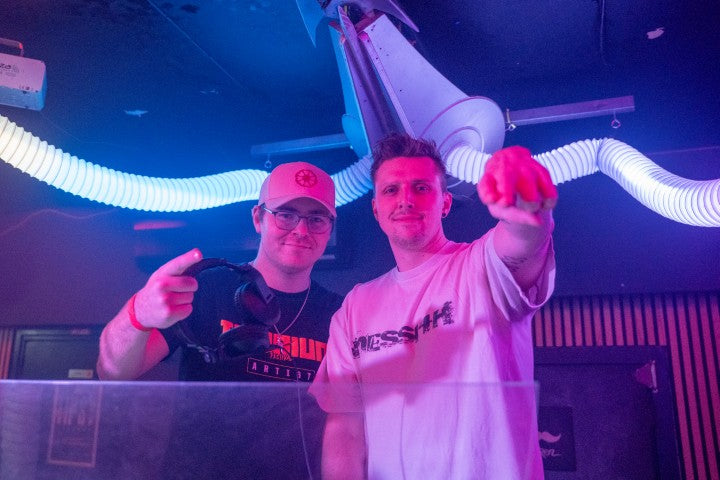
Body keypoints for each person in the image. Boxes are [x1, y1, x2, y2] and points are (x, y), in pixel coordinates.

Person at [309, 133, 558, 479]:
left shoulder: (481, 266)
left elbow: (523, 240)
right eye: (391, 190)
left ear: (445, 203)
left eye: (421, 188)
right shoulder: (355, 307)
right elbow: (345, 430)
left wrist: (527, 210)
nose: (405, 200)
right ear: (376, 209)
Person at [97, 161, 344, 382]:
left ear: (330, 229)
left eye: (316, 219)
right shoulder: (204, 288)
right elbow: (112, 372)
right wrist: (138, 312)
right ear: (257, 218)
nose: (301, 231)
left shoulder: (342, 314)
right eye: (286, 215)